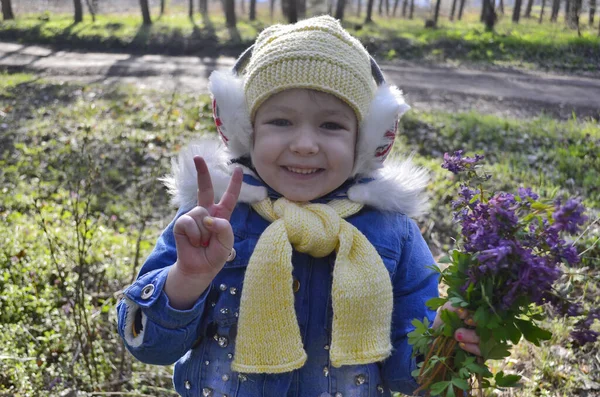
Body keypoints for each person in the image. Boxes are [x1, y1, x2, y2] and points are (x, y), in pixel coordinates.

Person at [116, 15, 480, 396]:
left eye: (331, 126)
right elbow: (150, 346)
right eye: (281, 121)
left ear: (365, 140)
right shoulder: (211, 221)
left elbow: (408, 375)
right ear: (246, 131)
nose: (305, 144)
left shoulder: (392, 231)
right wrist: (186, 279)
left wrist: (444, 337)